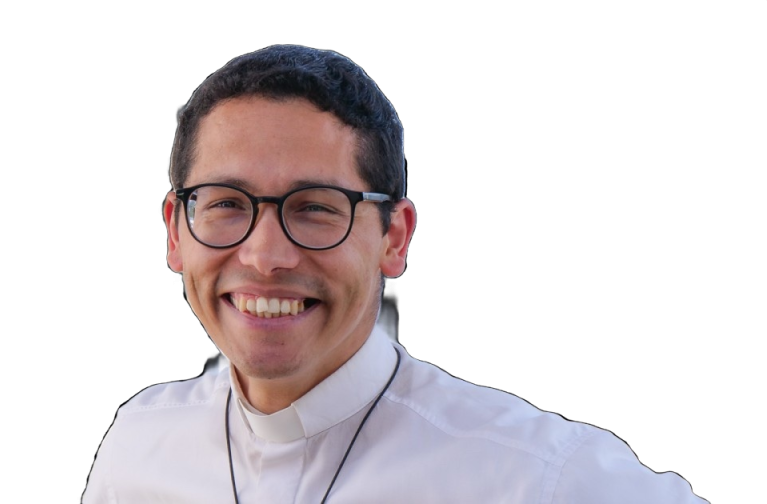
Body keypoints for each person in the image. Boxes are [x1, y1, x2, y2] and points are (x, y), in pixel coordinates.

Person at [81, 44, 707, 503]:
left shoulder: (539, 477)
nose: (265, 256)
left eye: (315, 208)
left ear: (395, 239)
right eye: (225, 203)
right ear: (176, 232)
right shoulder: (136, 450)